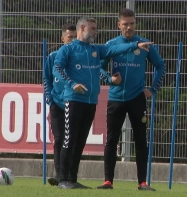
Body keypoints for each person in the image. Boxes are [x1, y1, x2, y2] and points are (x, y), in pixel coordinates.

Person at [53, 17, 153, 189]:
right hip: (74, 99)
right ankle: (63, 179)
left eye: (96, 29)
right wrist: (72, 84)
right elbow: (58, 68)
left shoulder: (95, 50)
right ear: (82, 28)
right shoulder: (68, 49)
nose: (95, 32)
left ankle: (72, 178)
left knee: (80, 141)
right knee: (69, 140)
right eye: (93, 28)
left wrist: (135, 45)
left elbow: (113, 49)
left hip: (91, 101)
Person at [97, 9, 166, 191]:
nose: (129, 27)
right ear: (118, 25)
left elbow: (160, 65)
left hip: (137, 98)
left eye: (132, 23)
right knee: (112, 140)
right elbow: (99, 67)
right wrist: (109, 79)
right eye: (125, 24)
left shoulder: (145, 45)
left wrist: (152, 89)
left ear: (136, 24)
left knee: (141, 140)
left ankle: (142, 182)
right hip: (116, 98)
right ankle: (108, 181)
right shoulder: (111, 45)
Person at [43, 23, 76, 186]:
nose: (72, 40)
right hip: (57, 104)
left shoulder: (79, 58)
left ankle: (70, 174)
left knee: (71, 140)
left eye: (75, 37)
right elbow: (47, 79)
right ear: (62, 38)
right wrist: (50, 98)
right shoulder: (53, 56)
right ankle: (58, 174)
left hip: (75, 104)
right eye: (70, 37)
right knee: (59, 138)